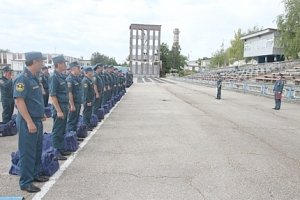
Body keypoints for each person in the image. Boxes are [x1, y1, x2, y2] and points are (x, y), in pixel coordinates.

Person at [13, 51, 48, 193]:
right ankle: (26, 182)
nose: (43, 64)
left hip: (36, 119)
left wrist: (41, 113)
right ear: (34, 61)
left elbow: (35, 99)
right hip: (28, 121)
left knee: (37, 149)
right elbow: (19, 101)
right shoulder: (22, 79)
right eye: (41, 61)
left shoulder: (34, 78)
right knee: (27, 152)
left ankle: (35, 174)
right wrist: (29, 121)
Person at [49, 55, 70, 160]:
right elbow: (53, 95)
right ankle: (56, 151)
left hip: (64, 105)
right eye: (64, 63)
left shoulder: (61, 76)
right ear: (59, 64)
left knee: (62, 129)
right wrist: (58, 110)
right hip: (59, 107)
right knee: (57, 130)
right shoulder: (54, 77)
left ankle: (61, 149)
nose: (65, 65)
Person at [66, 61, 82, 132]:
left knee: (76, 120)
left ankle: (74, 136)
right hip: (73, 103)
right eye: (78, 68)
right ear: (74, 69)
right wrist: (72, 105)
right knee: (72, 121)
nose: (80, 70)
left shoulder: (77, 78)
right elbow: (69, 93)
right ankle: (70, 136)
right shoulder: (69, 79)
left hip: (78, 102)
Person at [82, 66, 95, 131]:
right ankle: (86, 125)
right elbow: (85, 93)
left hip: (91, 99)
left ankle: (88, 124)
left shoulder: (89, 80)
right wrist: (87, 101)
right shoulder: (85, 80)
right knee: (86, 113)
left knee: (89, 113)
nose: (92, 73)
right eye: (91, 72)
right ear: (87, 72)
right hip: (88, 100)